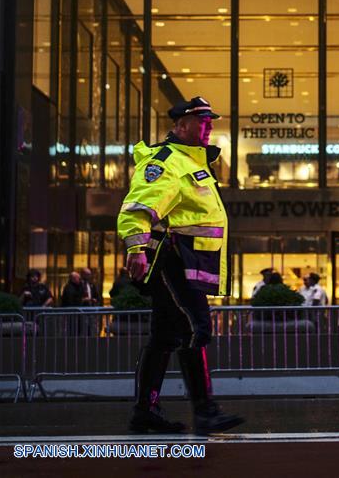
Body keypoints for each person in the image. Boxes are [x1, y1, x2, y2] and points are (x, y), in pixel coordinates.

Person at [117, 95, 243, 436]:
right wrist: (136, 249)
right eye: (201, 121)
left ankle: (145, 411)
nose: (209, 127)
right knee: (195, 328)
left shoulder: (192, 163)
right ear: (180, 125)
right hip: (171, 260)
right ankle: (205, 411)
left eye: (210, 121)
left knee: (165, 336)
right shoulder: (167, 161)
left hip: (181, 261)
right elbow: (139, 206)